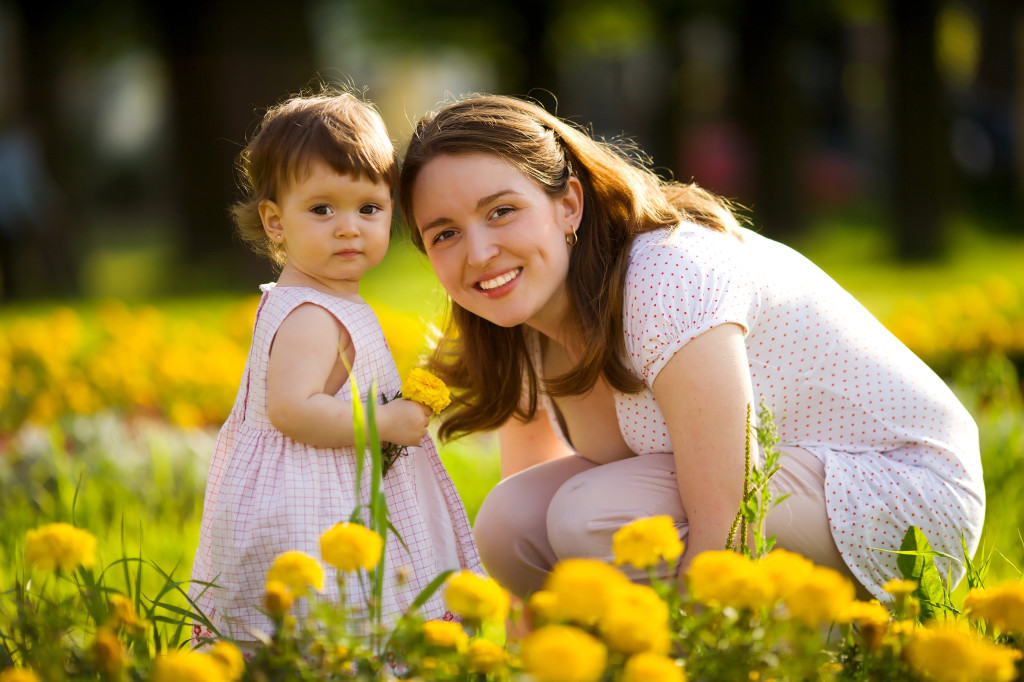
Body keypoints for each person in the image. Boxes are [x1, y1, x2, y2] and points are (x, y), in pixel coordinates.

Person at [396, 94, 985, 602]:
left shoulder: (667, 274)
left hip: (902, 499)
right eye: (444, 233)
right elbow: (526, 524)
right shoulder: (520, 323)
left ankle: (793, 648)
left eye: (502, 212)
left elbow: (729, 522)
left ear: (568, 204)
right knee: (510, 522)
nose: (478, 253)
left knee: (594, 515)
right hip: (780, 501)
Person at [189, 89, 481, 646]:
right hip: (311, 504)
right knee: (329, 622)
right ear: (275, 222)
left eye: (368, 208)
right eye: (322, 209)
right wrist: (385, 424)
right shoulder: (311, 315)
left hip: (331, 490)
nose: (349, 227)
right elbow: (292, 411)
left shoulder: (324, 298)